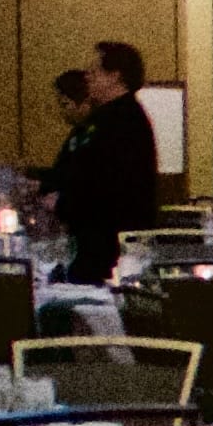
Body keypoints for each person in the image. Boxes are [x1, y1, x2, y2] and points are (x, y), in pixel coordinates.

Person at [42, 45, 164, 283]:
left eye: (94, 71)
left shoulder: (124, 121)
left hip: (109, 243)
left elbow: (106, 184)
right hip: (93, 237)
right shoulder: (105, 118)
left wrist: (63, 202)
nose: (87, 77)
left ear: (114, 76)